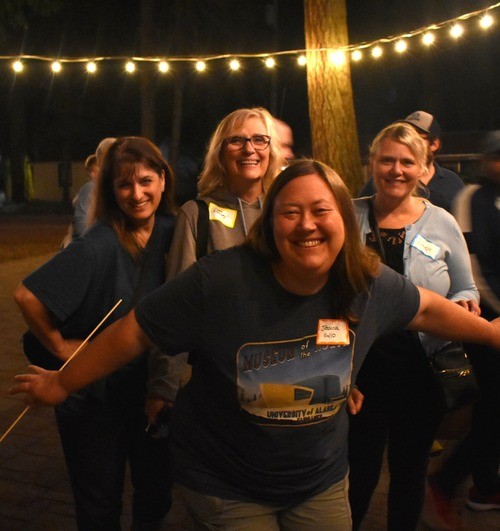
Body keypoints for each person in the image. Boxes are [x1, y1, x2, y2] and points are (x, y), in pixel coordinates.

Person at [10, 159, 500, 531]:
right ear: (270, 224)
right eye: (290, 212)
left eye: (321, 210)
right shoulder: (220, 280)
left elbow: (428, 309)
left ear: (345, 220)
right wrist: (62, 383)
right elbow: (137, 329)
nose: (307, 224)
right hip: (226, 481)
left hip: (319, 479)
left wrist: (493, 334)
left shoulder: (366, 280)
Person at [13, 137, 176, 531]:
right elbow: (27, 295)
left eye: (145, 180)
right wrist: (59, 345)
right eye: (124, 184)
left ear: (163, 180)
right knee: (99, 507)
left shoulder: (175, 231)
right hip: (93, 397)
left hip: (150, 391)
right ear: (110, 190)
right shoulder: (99, 243)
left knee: (156, 495)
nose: (136, 193)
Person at [348, 123, 480, 531]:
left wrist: (465, 302)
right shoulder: (347, 215)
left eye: (407, 162)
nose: (396, 169)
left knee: (410, 470)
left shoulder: (441, 221)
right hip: (360, 370)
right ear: (372, 163)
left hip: (421, 367)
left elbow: (465, 286)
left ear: (423, 169)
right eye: (387, 160)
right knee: (358, 470)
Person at [146, 107, 284, 418]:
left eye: (259, 139)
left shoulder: (288, 211)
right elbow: (175, 306)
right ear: (220, 153)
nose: (249, 149)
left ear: (271, 150)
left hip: (283, 372)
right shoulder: (197, 215)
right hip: (219, 380)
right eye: (237, 140)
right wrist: (164, 386)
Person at [423, 131, 500, 529]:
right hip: (486, 325)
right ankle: (447, 482)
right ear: (485, 161)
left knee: (492, 411)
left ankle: (483, 487)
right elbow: (473, 268)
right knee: (491, 410)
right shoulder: (472, 198)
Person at [357, 110, 464, 213]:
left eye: (417, 137)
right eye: (406, 135)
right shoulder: (379, 183)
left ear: (434, 144)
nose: (410, 141)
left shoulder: (452, 182)